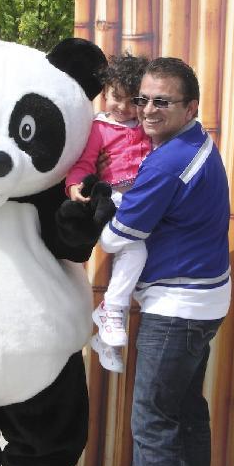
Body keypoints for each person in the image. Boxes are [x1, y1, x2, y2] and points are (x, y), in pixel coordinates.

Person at [93, 57, 231, 466]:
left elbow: (117, 238)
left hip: (176, 308)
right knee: (187, 418)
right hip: (203, 302)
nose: (148, 110)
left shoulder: (168, 161)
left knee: (153, 425)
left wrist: (106, 211)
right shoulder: (197, 143)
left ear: (190, 107)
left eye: (162, 102)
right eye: (144, 99)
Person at [65, 53, 151, 373]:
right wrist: (75, 187)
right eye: (117, 97)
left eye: (132, 101)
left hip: (143, 202)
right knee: (135, 250)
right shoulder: (98, 127)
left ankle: (105, 337)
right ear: (105, 92)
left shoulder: (146, 126)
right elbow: (84, 164)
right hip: (112, 201)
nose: (123, 107)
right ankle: (111, 311)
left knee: (141, 265)